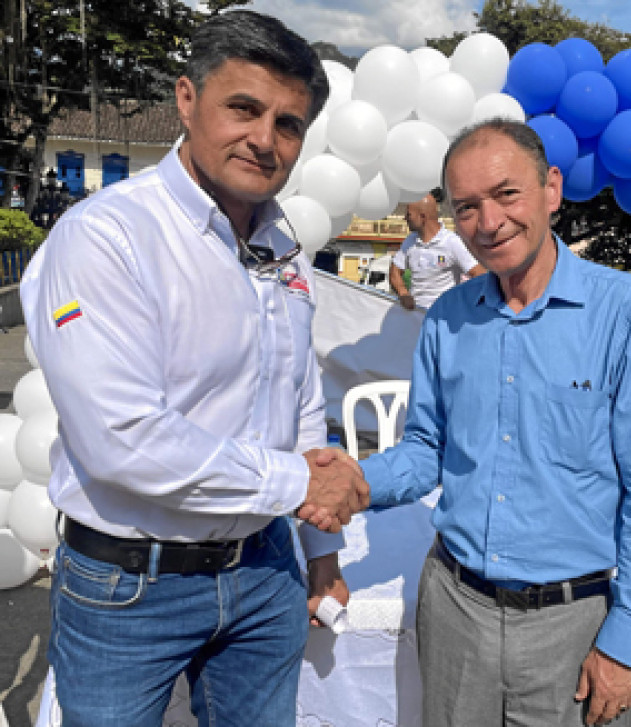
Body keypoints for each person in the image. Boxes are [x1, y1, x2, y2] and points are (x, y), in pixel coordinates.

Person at [19, 11, 367, 727]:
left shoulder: (280, 247)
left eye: (289, 123)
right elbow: (122, 439)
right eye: (243, 108)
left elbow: (298, 399)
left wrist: (321, 549)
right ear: (186, 98)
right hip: (128, 583)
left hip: (264, 568)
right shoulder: (105, 237)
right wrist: (304, 481)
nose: (264, 139)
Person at [326, 119, 631, 726]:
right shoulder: (446, 318)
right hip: (454, 610)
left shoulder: (625, 313)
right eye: (467, 207)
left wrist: (624, 645)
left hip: (573, 622)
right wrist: (357, 483)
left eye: (506, 194)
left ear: (551, 188)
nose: (488, 222)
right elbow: (425, 449)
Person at [389, 191, 485, 309]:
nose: (405, 218)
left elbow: (479, 274)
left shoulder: (452, 242)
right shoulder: (410, 241)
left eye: (409, 215)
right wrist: (403, 294)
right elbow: (394, 272)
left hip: (444, 318)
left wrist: (466, 305)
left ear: (422, 217)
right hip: (416, 316)